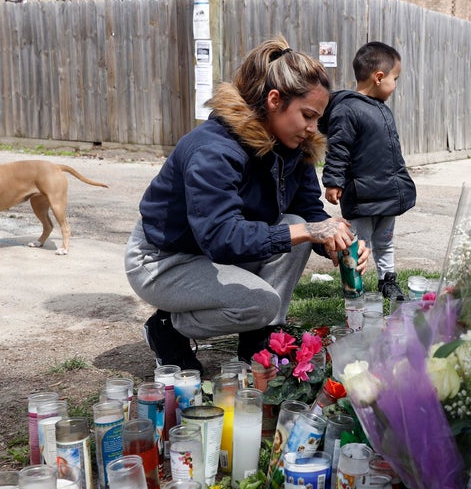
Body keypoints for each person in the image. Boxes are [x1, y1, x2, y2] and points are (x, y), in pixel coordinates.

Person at [126, 37, 369, 373]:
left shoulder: (293, 145)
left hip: (212, 253)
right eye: (308, 115)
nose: (314, 128)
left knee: (297, 223)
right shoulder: (214, 150)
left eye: (318, 119)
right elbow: (220, 238)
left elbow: (309, 212)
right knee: (261, 300)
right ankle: (168, 329)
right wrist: (309, 230)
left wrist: (337, 243)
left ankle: (262, 338)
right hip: (164, 259)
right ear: (274, 100)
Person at [321, 42, 417, 300]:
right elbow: (338, 146)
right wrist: (333, 181)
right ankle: (354, 284)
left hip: (387, 194)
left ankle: (387, 280)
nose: (395, 85)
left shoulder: (381, 109)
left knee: (385, 242)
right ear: (379, 77)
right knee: (358, 243)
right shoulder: (347, 108)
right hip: (362, 196)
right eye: (395, 79)